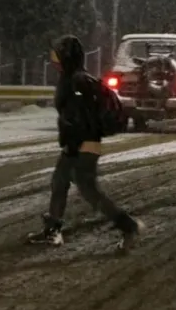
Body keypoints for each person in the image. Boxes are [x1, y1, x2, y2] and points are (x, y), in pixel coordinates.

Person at [27, 35, 143, 251]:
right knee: (60, 183)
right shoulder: (73, 78)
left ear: (68, 57)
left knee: (89, 192)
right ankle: (53, 229)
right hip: (79, 144)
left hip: (83, 145)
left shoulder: (77, 82)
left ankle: (128, 226)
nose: (54, 61)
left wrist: (75, 142)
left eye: (58, 55)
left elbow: (81, 118)